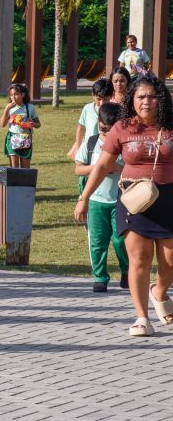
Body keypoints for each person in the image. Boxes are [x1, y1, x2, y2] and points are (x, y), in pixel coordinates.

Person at [74, 75, 173, 337]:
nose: (146, 102)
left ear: (160, 99)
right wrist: (84, 197)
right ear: (132, 99)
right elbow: (103, 166)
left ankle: (159, 291)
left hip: (169, 198)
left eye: (152, 96)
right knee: (139, 259)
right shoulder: (122, 127)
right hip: (133, 199)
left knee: (170, 261)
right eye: (141, 96)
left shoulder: (171, 126)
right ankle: (142, 317)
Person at [73, 102, 128, 293]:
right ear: (98, 123)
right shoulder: (91, 142)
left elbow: (134, 169)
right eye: (103, 129)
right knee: (97, 242)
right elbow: (78, 169)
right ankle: (100, 277)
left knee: (121, 240)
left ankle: (127, 272)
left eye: (111, 130)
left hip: (121, 200)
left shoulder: (125, 144)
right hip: (96, 200)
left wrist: (117, 168)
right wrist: (101, 168)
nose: (106, 133)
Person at [67, 78, 113, 160]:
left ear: (111, 96)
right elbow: (80, 128)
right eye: (99, 99)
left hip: (106, 149)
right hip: (88, 148)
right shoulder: (87, 108)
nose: (101, 103)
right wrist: (77, 147)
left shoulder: (114, 111)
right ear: (93, 96)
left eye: (105, 99)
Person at [0, 83, 41, 169]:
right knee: (14, 169)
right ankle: (13, 183)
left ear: (23, 94)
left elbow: (38, 124)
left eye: (16, 94)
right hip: (12, 138)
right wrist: (6, 109)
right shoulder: (10, 108)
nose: (13, 97)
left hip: (25, 139)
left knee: (25, 169)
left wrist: (32, 124)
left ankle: (24, 183)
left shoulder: (30, 108)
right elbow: (2, 124)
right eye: (11, 95)